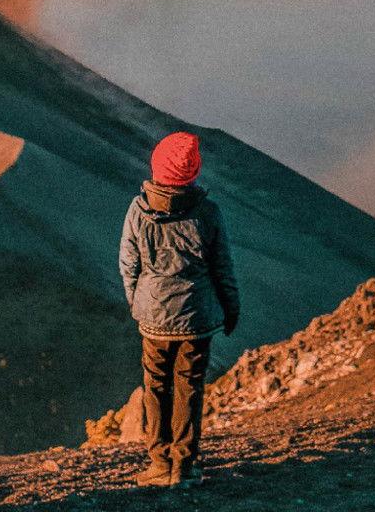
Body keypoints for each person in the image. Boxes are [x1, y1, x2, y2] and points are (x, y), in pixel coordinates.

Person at [119, 131, 240, 488]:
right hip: (197, 321)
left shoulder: (138, 210)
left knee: (156, 387)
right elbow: (222, 268)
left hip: (153, 320)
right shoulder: (208, 213)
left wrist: (138, 304)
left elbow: (129, 264)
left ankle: (159, 462)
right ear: (192, 172)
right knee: (189, 387)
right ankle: (183, 468)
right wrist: (231, 309)